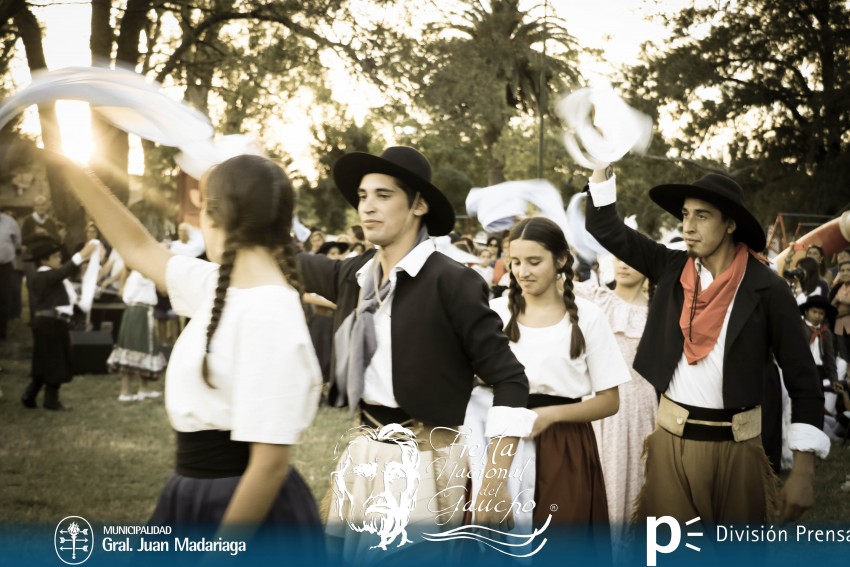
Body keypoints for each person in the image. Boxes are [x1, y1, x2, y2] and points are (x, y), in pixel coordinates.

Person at [56, 154, 323, 542]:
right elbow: (137, 246)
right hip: (192, 496)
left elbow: (270, 466)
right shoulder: (219, 285)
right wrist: (71, 167)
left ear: (215, 218)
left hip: (243, 512)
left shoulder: (269, 311)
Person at [297, 146, 530, 554]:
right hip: (363, 450)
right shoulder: (355, 273)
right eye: (363, 196)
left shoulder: (453, 282)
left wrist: (495, 473)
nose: (367, 206)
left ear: (419, 204)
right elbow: (284, 263)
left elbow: (510, 380)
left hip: (424, 461)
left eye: (383, 195)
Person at [585, 166, 828, 523]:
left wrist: (804, 471)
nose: (688, 226)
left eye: (702, 216)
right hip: (670, 443)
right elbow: (606, 228)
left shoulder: (767, 288)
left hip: (739, 451)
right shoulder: (670, 268)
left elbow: (803, 379)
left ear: (730, 224)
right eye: (685, 215)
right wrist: (600, 174)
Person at [468, 217, 628, 560]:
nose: (522, 271)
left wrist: (549, 416)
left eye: (534, 261)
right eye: (515, 262)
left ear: (561, 260)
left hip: (563, 447)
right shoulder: (493, 314)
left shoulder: (587, 317)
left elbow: (609, 401)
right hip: (497, 445)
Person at [575, 255, 655, 552]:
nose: (624, 264)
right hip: (599, 406)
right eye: (618, 258)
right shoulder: (594, 299)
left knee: (637, 481)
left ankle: (627, 551)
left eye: (631, 258)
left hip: (641, 410)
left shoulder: (658, 311)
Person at [21, 234, 97, 411]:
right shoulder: (42, 276)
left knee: (45, 360)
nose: (59, 258)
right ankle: (50, 399)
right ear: (44, 260)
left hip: (54, 323)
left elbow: (66, 291)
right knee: (55, 360)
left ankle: (30, 395)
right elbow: (64, 271)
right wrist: (82, 255)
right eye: (55, 256)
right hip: (49, 323)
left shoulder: (53, 277)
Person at [106, 268, 167, 402]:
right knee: (133, 349)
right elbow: (162, 287)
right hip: (138, 314)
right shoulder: (141, 272)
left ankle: (143, 388)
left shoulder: (137, 273)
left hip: (141, 313)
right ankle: (125, 391)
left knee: (144, 349)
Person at [0, 211, 21, 340]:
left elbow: (17, 242)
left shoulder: (10, 222)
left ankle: (2, 332)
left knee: (3, 298)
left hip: (5, 266)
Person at [831, 260, 850, 364]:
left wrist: (840, 299)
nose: (845, 273)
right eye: (842, 270)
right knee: (843, 357)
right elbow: (832, 306)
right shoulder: (839, 287)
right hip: (839, 326)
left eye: (848, 270)